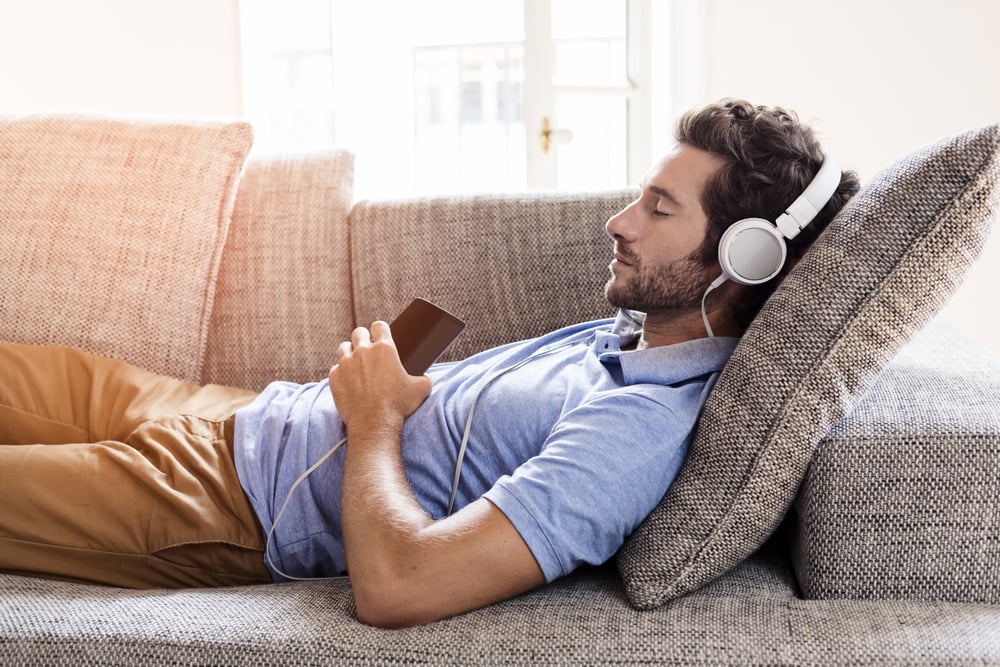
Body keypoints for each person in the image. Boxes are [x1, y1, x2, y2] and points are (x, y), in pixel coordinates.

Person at [0, 98, 859, 628]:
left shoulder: (636, 435)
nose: (620, 221)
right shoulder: (631, 336)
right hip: (232, 409)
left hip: (225, 503)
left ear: (739, 260)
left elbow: (399, 587)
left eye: (659, 208)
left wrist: (375, 415)